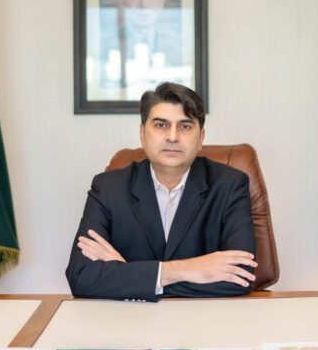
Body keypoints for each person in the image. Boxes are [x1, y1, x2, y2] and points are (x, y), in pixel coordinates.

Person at [66, 82, 257, 301]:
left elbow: (241, 277)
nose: (172, 137)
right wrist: (182, 271)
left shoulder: (230, 185)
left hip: (204, 318)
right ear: (142, 134)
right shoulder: (108, 188)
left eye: (185, 126)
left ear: (201, 138)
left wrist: (132, 275)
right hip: (128, 319)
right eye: (160, 125)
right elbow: (81, 277)